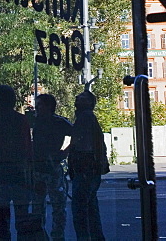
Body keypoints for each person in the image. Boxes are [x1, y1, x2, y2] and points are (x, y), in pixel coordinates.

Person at [0, 84, 36, 240]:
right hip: (20, 173)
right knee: (22, 217)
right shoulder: (21, 120)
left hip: (0, 172)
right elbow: (27, 147)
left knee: (2, 219)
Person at [31, 94, 72, 241]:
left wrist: (64, 153)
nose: (37, 107)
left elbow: (77, 134)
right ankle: (40, 236)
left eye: (40, 104)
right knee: (37, 207)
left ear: (49, 106)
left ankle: (57, 236)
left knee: (58, 206)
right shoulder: (36, 121)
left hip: (52, 168)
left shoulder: (59, 122)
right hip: (38, 169)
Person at [69, 90, 108, 241]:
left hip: (84, 169)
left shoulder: (84, 118)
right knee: (91, 209)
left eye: (82, 97)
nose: (77, 97)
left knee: (80, 211)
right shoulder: (90, 118)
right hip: (91, 170)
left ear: (88, 103)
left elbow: (79, 143)